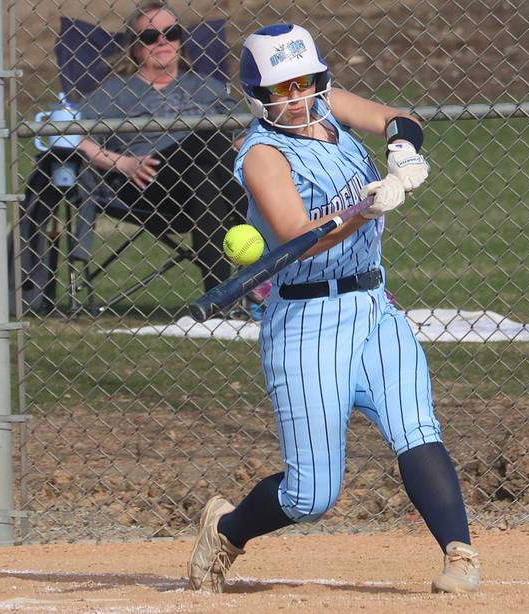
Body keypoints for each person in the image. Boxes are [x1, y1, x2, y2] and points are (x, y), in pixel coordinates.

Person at [186, 23, 480, 594]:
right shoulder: (262, 155)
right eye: (280, 90)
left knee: (416, 427)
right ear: (258, 95)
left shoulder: (331, 107)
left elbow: (401, 118)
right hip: (305, 323)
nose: (296, 98)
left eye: (304, 83)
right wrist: (364, 211)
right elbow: (300, 234)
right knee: (312, 494)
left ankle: (460, 555)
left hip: (373, 305)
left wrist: (402, 151)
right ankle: (226, 530)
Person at [77, 1, 247, 291]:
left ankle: (219, 300)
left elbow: (243, 136)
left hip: (207, 180)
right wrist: (123, 163)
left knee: (203, 174)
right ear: (134, 46)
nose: (162, 42)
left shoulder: (205, 85)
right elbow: (69, 135)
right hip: (149, 181)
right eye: (149, 36)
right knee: (206, 136)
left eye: (171, 33)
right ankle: (269, 232)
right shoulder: (115, 91)